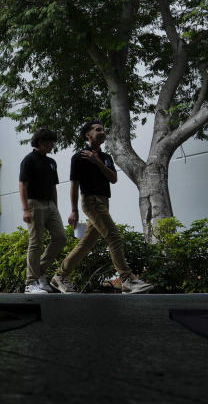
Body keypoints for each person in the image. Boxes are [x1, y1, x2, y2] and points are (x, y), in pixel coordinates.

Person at [50, 120, 153, 294]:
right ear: (88, 135)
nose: (102, 132)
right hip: (91, 202)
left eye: (103, 130)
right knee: (114, 237)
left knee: (86, 244)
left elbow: (113, 178)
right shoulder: (79, 157)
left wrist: (98, 161)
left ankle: (60, 276)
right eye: (98, 130)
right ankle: (127, 280)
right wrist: (74, 210)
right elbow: (74, 185)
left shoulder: (106, 158)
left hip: (104, 201)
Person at [19, 128, 65, 294]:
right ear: (39, 142)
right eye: (49, 142)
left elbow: (53, 186)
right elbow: (23, 185)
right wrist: (25, 209)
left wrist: (56, 207)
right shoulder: (29, 160)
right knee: (36, 242)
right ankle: (30, 283)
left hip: (50, 205)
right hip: (34, 204)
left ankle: (39, 272)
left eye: (53, 142)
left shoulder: (51, 162)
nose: (52, 145)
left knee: (60, 237)